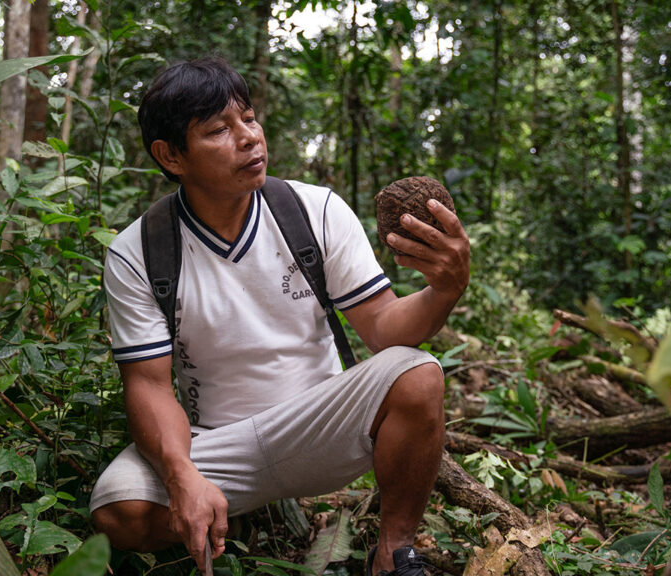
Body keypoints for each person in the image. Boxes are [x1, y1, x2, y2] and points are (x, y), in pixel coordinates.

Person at [91, 56, 470, 576]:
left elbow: (384, 328)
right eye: (218, 130)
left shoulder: (314, 211)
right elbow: (150, 386)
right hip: (215, 442)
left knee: (417, 373)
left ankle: (393, 553)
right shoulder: (139, 252)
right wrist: (183, 477)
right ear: (171, 156)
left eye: (248, 118)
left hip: (322, 426)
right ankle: (227, 513)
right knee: (121, 510)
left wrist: (445, 289)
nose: (248, 138)